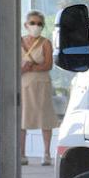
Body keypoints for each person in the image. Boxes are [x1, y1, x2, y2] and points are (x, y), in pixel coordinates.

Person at [20, 11, 57, 166]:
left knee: (45, 118)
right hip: (24, 84)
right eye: (33, 23)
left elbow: (48, 64)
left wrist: (31, 67)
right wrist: (23, 69)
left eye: (39, 24)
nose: (36, 26)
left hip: (42, 84)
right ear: (26, 25)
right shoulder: (19, 42)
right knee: (23, 118)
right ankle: (22, 154)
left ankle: (46, 153)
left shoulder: (46, 43)